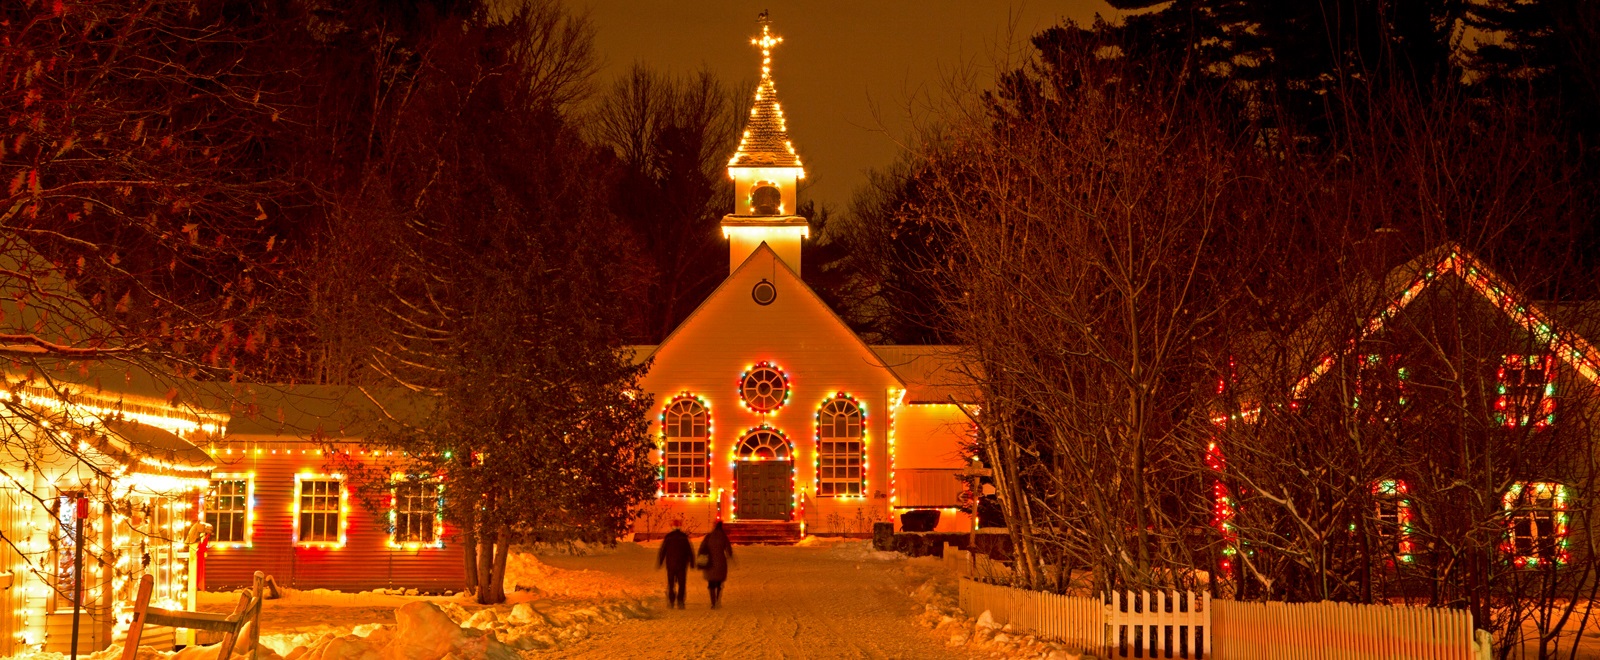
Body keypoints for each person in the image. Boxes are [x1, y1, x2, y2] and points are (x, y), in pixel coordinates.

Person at [656, 520, 693, 609]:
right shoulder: (684, 537)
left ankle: (671, 600)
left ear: (672, 526)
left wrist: (660, 561)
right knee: (682, 583)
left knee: (671, 583)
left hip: (671, 564)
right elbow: (689, 550)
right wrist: (692, 561)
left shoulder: (668, 537)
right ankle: (680, 601)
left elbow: (663, 550)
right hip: (682, 564)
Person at [697, 520, 734, 609]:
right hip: (721, 562)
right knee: (719, 584)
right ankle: (718, 600)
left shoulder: (709, 536)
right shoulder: (723, 537)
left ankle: (713, 602)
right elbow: (729, 550)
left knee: (711, 584)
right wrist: (730, 556)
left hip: (710, 562)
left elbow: (702, 548)